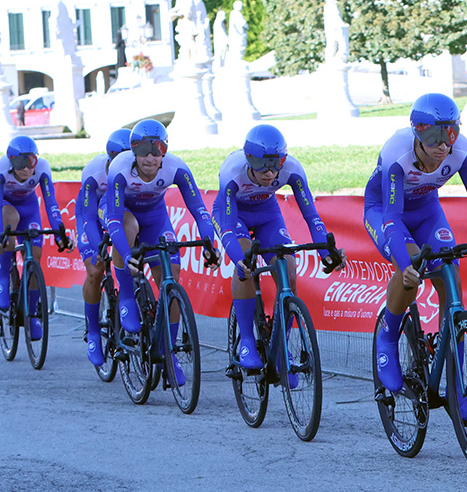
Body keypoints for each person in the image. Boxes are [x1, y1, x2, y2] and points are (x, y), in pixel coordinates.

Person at [364, 93, 467, 420]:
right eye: (433, 136)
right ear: (417, 133)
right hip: (385, 213)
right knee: (413, 262)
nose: (442, 145)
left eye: (450, 134)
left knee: (452, 276)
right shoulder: (397, 154)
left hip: (427, 211)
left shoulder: (462, 152)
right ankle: (387, 338)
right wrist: (406, 266)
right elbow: (391, 217)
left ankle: (456, 388)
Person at [212, 124, 342, 371]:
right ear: (249, 159)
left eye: (277, 163)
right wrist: (239, 259)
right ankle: (247, 341)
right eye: (263, 165)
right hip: (234, 216)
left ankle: (281, 344)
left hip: (267, 214)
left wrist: (327, 251)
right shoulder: (232, 172)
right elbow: (227, 226)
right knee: (246, 262)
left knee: (288, 266)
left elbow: (312, 217)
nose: (271, 173)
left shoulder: (291, 169)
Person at [101, 119, 220, 384]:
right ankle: (128, 298)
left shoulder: (176, 167)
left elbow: (199, 210)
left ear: (165, 150)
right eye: (142, 149)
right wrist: (127, 253)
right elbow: (112, 220)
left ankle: (168, 352)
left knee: (171, 281)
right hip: (127, 217)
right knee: (126, 226)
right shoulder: (120, 169)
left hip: (156, 219)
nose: (150, 157)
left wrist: (209, 241)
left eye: (157, 149)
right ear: (133, 150)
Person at [0, 135, 73, 337]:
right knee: (10, 220)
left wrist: (60, 233)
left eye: (30, 162)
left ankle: (31, 314)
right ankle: (3, 280)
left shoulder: (42, 168)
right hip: (2, 207)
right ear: (11, 161)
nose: (26, 169)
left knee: (35, 257)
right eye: (20, 163)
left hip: (29, 208)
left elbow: (51, 204)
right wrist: (0, 237)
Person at [75, 129, 132, 366]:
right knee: (96, 270)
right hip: (93, 216)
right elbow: (88, 216)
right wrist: (99, 246)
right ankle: (94, 332)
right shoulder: (94, 171)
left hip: (123, 213)